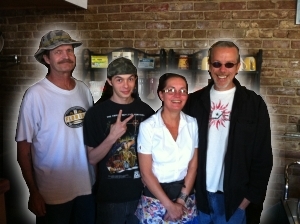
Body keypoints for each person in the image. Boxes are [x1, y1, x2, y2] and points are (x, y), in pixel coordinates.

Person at [183, 41, 273, 224]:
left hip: (234, 202)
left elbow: (263, 157)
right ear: (209, 65)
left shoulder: (254, 105)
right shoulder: (193, 102)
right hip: (197, 198)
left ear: (238, 66)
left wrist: (246, 201)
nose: (222, 70)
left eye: (229, 64)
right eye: (217, 64)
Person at [15, 30, 95, 224]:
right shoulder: (35, 95)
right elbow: (23, 150)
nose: (66, 56)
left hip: (87, 188)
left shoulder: (84, 90)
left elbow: (91, 139)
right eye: (58, 52)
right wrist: (33, 192)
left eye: (69, 50)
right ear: (46, 59)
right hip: (52, 194)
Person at [83, 57, 155, 224]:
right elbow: (92, 158)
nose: (126, 85)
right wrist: (112, 136)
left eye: (130, 79)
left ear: (135, 80)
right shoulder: (96, 114)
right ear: (109, 81)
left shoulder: (146, 112)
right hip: (110, 198)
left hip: (142, 195)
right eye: (119, 80)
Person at [135, 73, 198, 223]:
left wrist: (180, 202)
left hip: (185, 196)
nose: (177, 95)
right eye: (171, 90)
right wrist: (170, 206)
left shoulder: (192, 123)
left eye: (183, 90)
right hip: (156, 198)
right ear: (161, 95)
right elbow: (145, 172)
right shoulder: (148, 127)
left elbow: (193, 166)